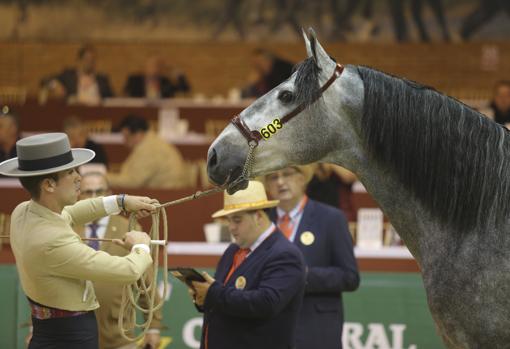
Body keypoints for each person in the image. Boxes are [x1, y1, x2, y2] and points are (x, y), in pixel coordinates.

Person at [0, 132, 159, 348]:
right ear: (49, 185)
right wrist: (141, 244)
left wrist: (121, 201)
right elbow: (127, 271)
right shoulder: (52, 240)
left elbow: (73, 213)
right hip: (70, 338)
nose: (79, 177)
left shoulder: (25, 212)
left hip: (53, 331)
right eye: (71, 171)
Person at [188, 180, 306, 349]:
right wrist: (203, 298)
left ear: (258, 216)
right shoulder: (233, 249)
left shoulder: (285, 255)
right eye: (228, 220)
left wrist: (212, 292)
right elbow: (223, 295)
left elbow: (266, 303)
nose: (231, 227)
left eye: (237, 220)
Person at [264, 165, 360, 349]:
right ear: (267, 185)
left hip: (316, 330)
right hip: (270, 332)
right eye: (273, 176)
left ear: (303, 178)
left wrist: (304, 275)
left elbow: (350, 277)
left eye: (287, 174)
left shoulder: (331, 218)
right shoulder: (262, 221)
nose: (281, 182)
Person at [77, 172, 163, 349]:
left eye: (99, 191)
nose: (94, 197)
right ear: (79, 195)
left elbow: (147, 282)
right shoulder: (67, 228)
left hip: (119, 336)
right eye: (88, 192)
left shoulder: (130, 228)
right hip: (73, 334)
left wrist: (153, 328)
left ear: (109, 194)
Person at [106, 115, 187, 189]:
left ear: (138, 134)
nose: (124, 141)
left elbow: (133, 182)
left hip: (166, 195)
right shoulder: (151, 142)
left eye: (126, 137)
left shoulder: (150, 149)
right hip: (166, 191)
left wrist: (103, 179)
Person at [42, 44, 114, 105]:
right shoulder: (69, 76)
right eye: (87, 59)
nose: (90, 63)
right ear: (79, 60)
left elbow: (112, 100)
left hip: (98, 116)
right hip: (74, 113)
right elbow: (45, 80)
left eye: (92, 60)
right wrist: (55, 85)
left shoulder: (102, 79)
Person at [123, 56, 191, 99]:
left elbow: (185, 89)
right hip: (139, 115)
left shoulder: (165, 81)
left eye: (158, 66)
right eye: (152, 65)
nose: (155, 68)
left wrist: (174, 70)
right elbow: (125, 94)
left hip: (161, 114)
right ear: (145, 66)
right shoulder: (135, 80)